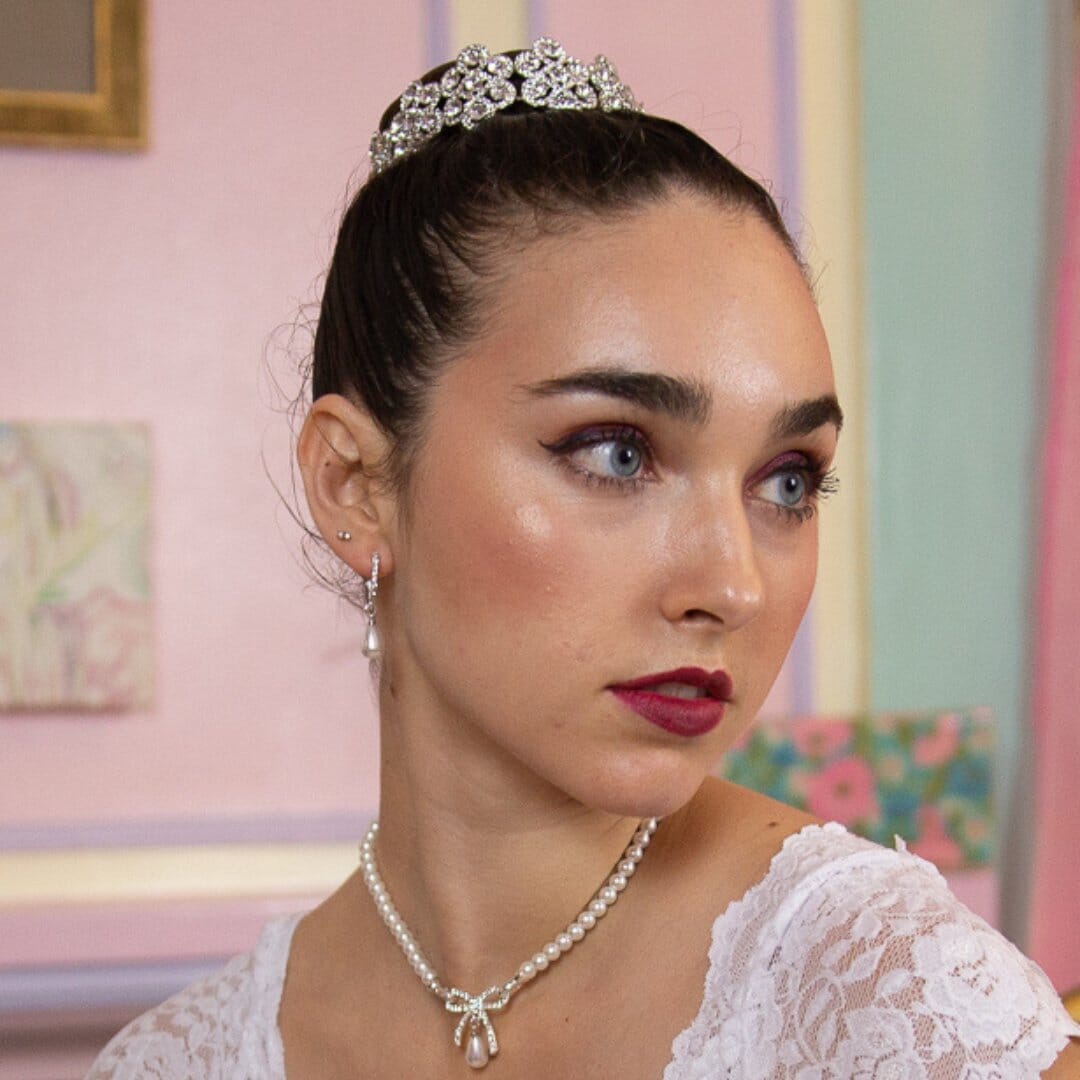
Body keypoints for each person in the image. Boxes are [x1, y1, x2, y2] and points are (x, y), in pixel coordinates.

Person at [88, 37, 1080, 1079]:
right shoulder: (175, 1061)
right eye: (619, 453)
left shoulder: (898, 1004)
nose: (733, 585)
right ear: (356, 485)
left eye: (788, 479)